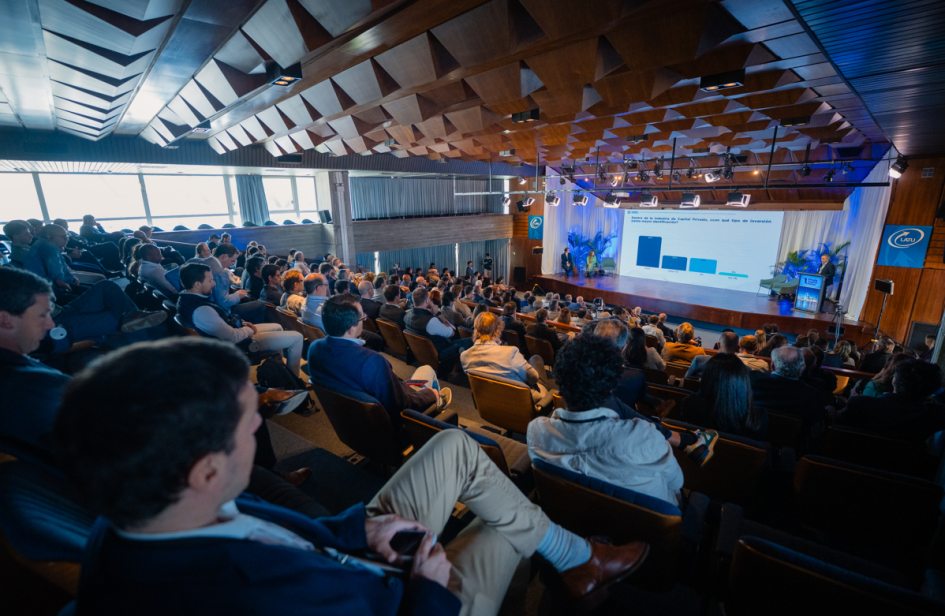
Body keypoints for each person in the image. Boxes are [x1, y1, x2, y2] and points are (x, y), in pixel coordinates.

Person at [54, 337, 649, 616]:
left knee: (456, 447)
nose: (263, 416)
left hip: (354, 547)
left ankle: (576, 560)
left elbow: (284, 534)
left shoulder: (147, 514)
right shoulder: (230, 600)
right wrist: (428, 595)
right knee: (509, 526)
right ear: (206, 470)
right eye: (250, 416)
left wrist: (353, 533)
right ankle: (580, 563)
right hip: (410, 601)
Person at [528, 333, 710, 507]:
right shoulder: (647, 435)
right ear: (610, 388)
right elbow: (677, 482)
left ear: (559, 382)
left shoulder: (536, 431)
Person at [0, 269, 165, 451]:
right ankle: (139, 345)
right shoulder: (43, 388)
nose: (49, 323)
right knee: (118, 322)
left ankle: (132, 328)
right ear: (6, 320)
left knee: (107, 287)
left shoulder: (26, 373)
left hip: (64, 316)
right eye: (42, 315)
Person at [308, 295, 450, 430]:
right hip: (393, 428)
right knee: (428, 370)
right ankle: (436, 415)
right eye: (362, 318)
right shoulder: (372, 362)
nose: (363, 321)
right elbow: (401, 406)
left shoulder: (314, 349)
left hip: (352, 425)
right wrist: (430, 394)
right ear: (351, 329)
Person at [176, 263, 304, 376]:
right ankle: (293, 380)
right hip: (237, 346)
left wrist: (241, 323)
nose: (214, 283)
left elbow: (222, 322)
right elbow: (232, 337)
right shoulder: (202, 310)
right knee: (297, 338)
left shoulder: (186, 300)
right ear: (197, 284)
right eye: (210, 281)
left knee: (277, 326)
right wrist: (248, 329)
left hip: (235, 332)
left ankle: (279, 372)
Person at [835, 359, 945, 442]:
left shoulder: (860, 404)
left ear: (894, 380)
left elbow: (836, 426)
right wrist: (935, 387)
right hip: (904, 470)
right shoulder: (934, 415)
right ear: (932, 388)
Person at [461, 311, 553, 407]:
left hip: (489, 404)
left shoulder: (464, 356)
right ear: (497, 330)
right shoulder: (510, 353)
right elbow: (533, 378)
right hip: (524, 402)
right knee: (536, 359)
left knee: (533, 360)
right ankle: (546, 405)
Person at [682, 354, 768, 441]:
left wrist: (702, 386)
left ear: (706, 377)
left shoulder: (691, 405)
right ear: (743, 381)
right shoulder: (758, 416)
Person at [750, 346, 825, 432]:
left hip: (752, 436)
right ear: (803, 367)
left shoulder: (752, 381)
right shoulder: (814, 397)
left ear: (772, 366)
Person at [405, 288, 473, 369]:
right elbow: (452, 332)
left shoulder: (407, 315)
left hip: (423, 353)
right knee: (472, 340)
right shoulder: (431, 321)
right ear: (427, 301)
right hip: (442, 352)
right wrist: (437, 314)